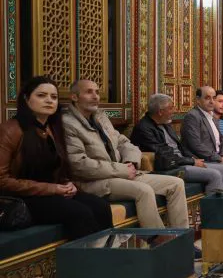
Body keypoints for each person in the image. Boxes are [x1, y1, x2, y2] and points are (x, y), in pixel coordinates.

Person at [63, 80, 188, 229]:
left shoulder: (100, 117)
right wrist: (122, 170)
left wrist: (131, 162)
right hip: (94, 181)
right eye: (89, 92)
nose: (95, 96)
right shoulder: (68, 123)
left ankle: (181, 236)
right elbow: (79, 165)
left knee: (176, 184)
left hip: (121, 173)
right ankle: (158, 238)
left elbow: (123, 142)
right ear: (74, 97)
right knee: (144, 190)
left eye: (97, 92)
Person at [0, 76, 112, 239]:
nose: (49, 100)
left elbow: (57, 167)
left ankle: (108, 252)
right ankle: (86, 256)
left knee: (100, 206)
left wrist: (67, 184)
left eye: (54, 97)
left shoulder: (53, 128)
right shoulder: (10, 130)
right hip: (21, 198)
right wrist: (52, 189)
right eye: (41, 95)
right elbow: (2, 181)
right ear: (26, 98)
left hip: (52, 192)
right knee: (79, 212)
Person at [131, 93, 223, 195]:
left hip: (183, 161)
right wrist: (191, 162)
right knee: (214, 175)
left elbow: (180, 147)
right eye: (171, 108)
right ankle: (214, 205)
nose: (174, 111)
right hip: (170, 167)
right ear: (160, 112)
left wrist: (192, 158)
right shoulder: (144, 129)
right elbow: (164, 155)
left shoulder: (165, 123)